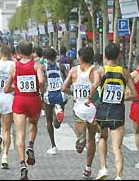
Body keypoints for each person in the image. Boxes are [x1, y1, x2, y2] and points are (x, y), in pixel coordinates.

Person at [95, 43, 138, 180]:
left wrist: (89, 98)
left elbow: (94, 87)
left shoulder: (100, 71)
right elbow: (135, 94)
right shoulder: (125, 72)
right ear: (119, 55)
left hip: (102, 110)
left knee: (102, 138)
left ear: (105, 56)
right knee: (117, 147)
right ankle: (119, 176)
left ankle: (103, 168)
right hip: (118, 112)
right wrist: (122, 98)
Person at [4, 41, 45, 180]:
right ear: (32, 51)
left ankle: (22, 165)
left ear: (19, 52)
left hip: (19, 101)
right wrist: (40, 88)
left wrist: (16, 88)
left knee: (19, 134)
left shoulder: (14, 67)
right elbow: (42, 81)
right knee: (33, 124)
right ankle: (31, 146)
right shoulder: (37, 65)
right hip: (33, 100)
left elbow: (6, 88)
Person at [62, 47, 100, 179]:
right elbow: (96, 84)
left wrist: (73, 93)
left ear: (80, 58)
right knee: (92, 139)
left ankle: (80, 136)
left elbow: (63, 87)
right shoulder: (95, 71)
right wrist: (90, 95)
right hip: (92, 108)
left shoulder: (73, 71)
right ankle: (87, 168)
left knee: (81, 143)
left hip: (78, 107)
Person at [42, 48, 68, 155]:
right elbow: (67, 78)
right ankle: (58, 113)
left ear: (45, 57)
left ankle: (53, 146)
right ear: (56, 56)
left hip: (49, 96)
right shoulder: (61, 66)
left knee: (48, 120)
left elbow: (42, 81)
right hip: (61, 95)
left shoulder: (44, 67)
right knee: (57, 124)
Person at [93, 53, 104, 143]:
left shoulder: (94, 70)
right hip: (102, 91)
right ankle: (99, 132)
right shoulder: (104, 69)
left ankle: (97, 132)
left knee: (95, 113)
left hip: (96, 92)